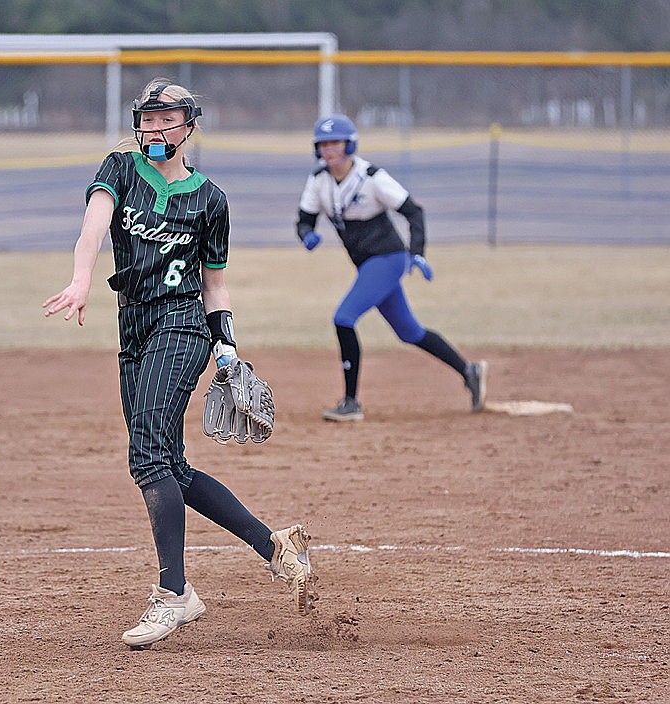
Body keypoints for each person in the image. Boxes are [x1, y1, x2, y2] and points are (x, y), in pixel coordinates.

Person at [42, 79, 316, 649]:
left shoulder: (210, 200)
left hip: (183, 326)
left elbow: (215, 287)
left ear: (189, 126)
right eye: (147, 117)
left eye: (167, 118)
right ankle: (275, 548)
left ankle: (173, 595)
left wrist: (228, 347)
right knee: (171, 466)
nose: (154, 128)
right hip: (134, 329)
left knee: (145, 455)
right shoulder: (119, 169)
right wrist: (81, 278)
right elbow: (93, 226)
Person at [295, 114, 488, 422]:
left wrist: (418, 253)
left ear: (350, 144)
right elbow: (304, 220)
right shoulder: (319, 181)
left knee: (343, 318)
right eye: (323, 144)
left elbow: (413, 211)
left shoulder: (371, 176)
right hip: (367, 265)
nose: (329, 149)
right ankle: (469, 370)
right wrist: (307, 235)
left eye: (336, 142)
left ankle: (350, 402)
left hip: (388, 259)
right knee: (410, 332)